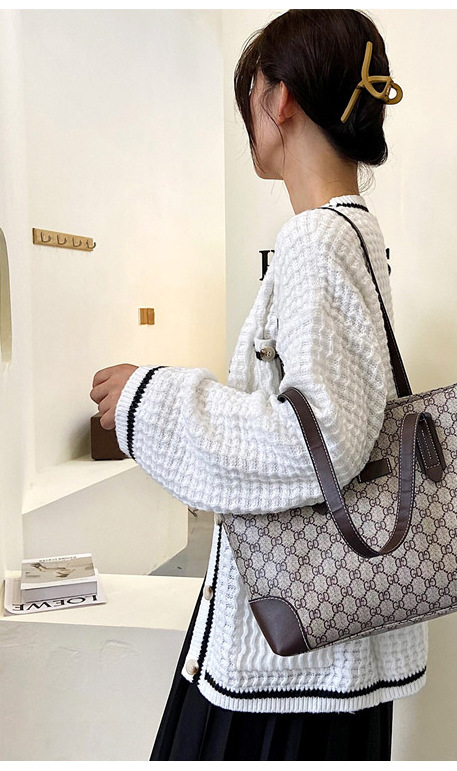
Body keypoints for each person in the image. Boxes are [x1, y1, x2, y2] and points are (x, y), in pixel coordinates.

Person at [89, 9, 427, 762]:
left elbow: (317, 440)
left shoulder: (317, 239)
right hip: (325, 655)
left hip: (288, 673)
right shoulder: (355, 234)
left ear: (281, 100)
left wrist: (149, 398)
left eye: (251, 93)